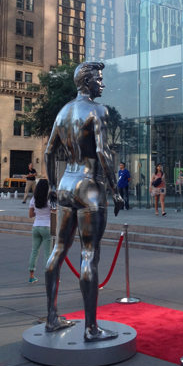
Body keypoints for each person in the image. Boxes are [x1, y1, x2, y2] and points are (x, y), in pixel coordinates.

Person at [44, 61, 123, 341]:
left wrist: (53, 186)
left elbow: (49, 151)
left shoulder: (63, 111)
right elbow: (102, 152)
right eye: (99, 79)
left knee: (58, 249)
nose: (102, 84)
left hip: (66, 183)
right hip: (90, 185)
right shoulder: (98, 110)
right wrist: (115, 189)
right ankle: (91, 328)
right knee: (89, 254)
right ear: (87, 82)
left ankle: (52, 318)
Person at [27, 179, 55, 284]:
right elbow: (54, 212)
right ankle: (48, 277)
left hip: (36, 227)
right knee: (48, 252)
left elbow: (30, 215)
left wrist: (39, 214)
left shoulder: (34, 199)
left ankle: (31, 276)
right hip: (47, 227)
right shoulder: (49, 199)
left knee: (34, 251)